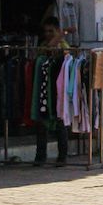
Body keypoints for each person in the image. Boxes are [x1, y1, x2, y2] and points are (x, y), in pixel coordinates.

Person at [35, 18, 70, 166]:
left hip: (59, 90)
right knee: (42, 123)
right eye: (46, 31)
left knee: (60, 123)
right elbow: (43, 53)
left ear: (57, 30)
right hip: (44, 89)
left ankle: (62, 156)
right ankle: (40, 156)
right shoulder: (42, 45)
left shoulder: (64, 46)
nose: (48, 34)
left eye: (51, 31)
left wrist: (60, 36)